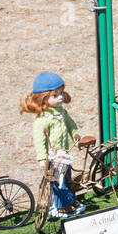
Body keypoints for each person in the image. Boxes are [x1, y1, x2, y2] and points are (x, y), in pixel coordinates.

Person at [22, 71, 86, 219]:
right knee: (59, 181)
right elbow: (39, 139)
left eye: (61, 93)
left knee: (67, 177)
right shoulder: (43, 119)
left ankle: (69, 199)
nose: (60, 97)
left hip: (64, 153)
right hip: (53, 156)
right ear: (43, 98)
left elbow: (71, 125)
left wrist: (76, 136)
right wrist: (41, 157)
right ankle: (61, 205)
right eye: (55, 95)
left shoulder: (62, 112)